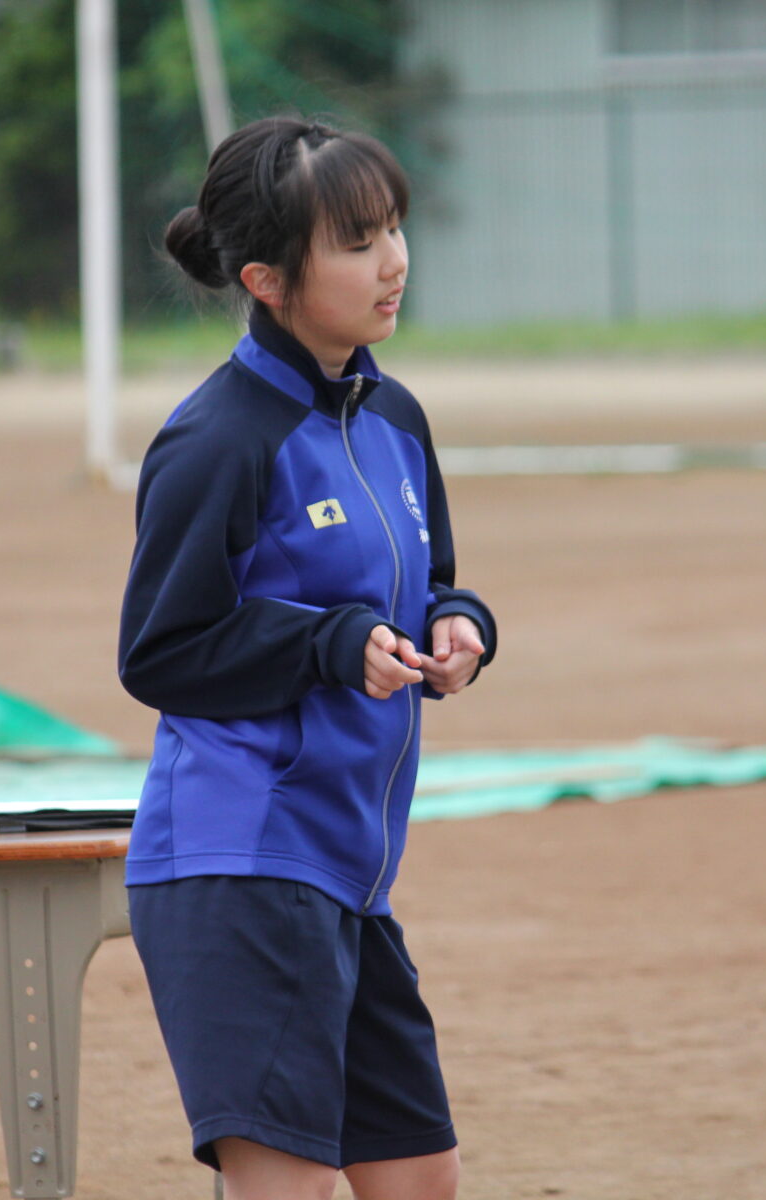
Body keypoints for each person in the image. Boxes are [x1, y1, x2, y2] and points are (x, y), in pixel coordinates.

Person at [118, 116, 496, 1200]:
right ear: (267, 279)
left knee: (421, 1181)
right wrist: (333, 646)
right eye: (357, 240)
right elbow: (162, 650)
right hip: (241, 862)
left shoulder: (396, 415)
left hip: (350, 875)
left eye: (393, 229)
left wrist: (459, 623)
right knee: (289, 1190)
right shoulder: (218, 439)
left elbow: (431, 581)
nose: (394, 262)